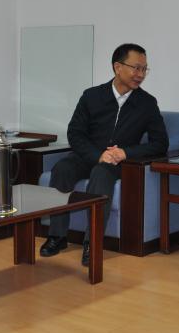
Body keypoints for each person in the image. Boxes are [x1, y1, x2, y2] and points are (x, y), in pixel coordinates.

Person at [41, 43, 169, 265]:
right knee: (62, 169)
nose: (140, 75)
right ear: (118, 67)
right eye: (136, 68)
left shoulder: (147, 103)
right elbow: (75, 133)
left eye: (144, 69)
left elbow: (160, 143)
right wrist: (97, 155)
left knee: (101, 174)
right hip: (88, 156)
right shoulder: (92, 96)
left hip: (118, 164)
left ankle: (92, 243)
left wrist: (125, 152)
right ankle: (57, 236)